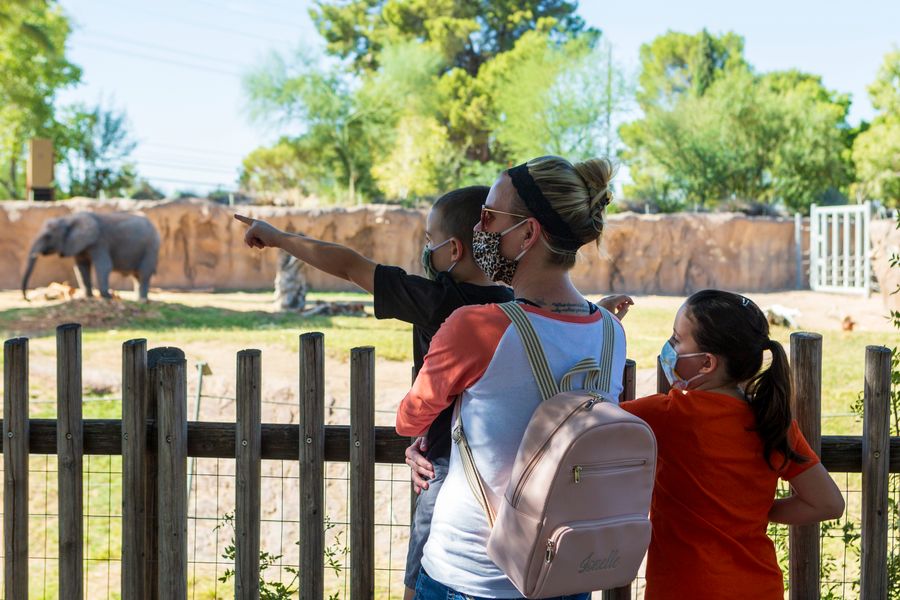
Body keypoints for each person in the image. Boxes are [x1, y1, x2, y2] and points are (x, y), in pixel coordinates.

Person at [234, 188, 633, 599]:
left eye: (429, 241)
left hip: (448, 468)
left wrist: (278, 236)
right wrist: (596, 312)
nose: (426, 250)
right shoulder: (513, 303)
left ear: (454, 249)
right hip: (539, 497)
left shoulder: (441, 303)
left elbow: (351, 265)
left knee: (420, 568)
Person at [395, 155, 627, 600]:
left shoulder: (476, 327)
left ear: (528, 232)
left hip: (470, 576)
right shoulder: (611, 333)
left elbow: (410, 419)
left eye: (489, 217)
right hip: (562, 572)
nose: (479, 230)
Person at [619, 290, 845, 599]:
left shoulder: (670, 414)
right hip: (759, 587)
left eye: (676, 339)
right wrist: (755, 512)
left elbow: (589, 417)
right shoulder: (772, 422)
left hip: (685, 589)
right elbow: (828, 503)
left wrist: (606, 327)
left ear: (707, 362)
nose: (669, 347)